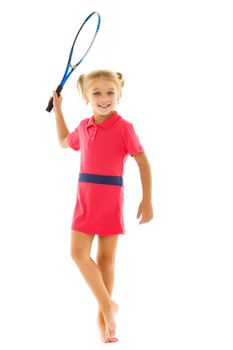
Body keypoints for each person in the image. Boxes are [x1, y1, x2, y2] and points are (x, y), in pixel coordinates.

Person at [52, 69, 153, 343]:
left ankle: (104, 318)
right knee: (78, 253)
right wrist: (58, 110)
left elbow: (142, 161)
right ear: (86, 96)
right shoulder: (84, 127)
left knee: (107, 260)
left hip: (109, 196)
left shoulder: (124, 127)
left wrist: (147, 199)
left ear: (119, 94)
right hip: (85, 196)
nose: (104, 98)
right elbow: (64, 142)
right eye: (96, 92)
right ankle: (109, 305)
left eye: (110, 92)